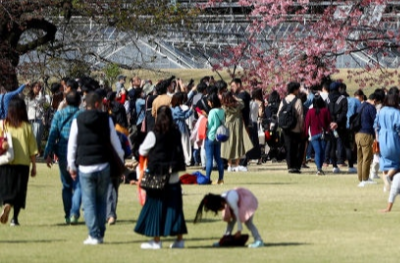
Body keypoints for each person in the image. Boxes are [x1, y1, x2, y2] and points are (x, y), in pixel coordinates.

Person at [67, 91, 125, 245]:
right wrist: (121, 162)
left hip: (85, 166)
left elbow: (72, 145)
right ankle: (100, 232)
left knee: (89, 202)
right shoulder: (106, 120)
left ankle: (94, 234)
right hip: (103, 165)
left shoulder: (78, 120)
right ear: (98, 104)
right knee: (101, 201)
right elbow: (116, 144)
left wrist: (71, 165)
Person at [134, 106, 187, 249]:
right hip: (173, 176)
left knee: (155, 208)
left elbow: (142, 150)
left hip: (157, 176)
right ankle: (179, 240)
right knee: (175, 209)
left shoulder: (154, 134)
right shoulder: (176, 133)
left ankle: (156, 241)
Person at [43, 89, 82, 224]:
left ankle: (68, 214)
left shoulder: (59, 114)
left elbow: (52, 134)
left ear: (66, 101)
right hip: (81, 153)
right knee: (79, 185)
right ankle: (75, 212)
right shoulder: (82, 114)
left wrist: (47, 153)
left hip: (63, 153)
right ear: (79, 102)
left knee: (66, 185)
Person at [0, 97, 37, 226]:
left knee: (6, 187)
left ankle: (6, 203)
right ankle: (14, 218)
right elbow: (32, 149)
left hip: (6, 162)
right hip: (23, 163)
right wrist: (34, 166)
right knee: (20, 191)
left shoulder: (3, 124)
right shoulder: (27, 127)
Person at [195, 188, 264, 248]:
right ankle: (225, 239)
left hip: (246, 201)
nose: (219, 210)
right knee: (230, 222)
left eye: (218, 208)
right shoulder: (223, 199)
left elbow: (237, 214)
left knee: (248, 222)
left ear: (221, 203)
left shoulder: (230, 200)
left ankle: (259, 240)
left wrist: (239, 230)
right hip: (237, 205)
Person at [374, 90, 400, 191]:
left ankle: (386, 185)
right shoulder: (396, 112)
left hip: (382, 137)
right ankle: (388, 178)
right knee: (395, 162)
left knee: (384, 161)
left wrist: (377, 137)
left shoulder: (381, 111)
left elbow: (376, 125)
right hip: (393, 137)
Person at [304, 91, 332, 176]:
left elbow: (306, 124)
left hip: (314, 134)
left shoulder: (310, 112)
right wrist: (329, 131)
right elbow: (329, 122)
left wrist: (305, 134)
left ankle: (319, 168)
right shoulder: (325, 111)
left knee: (317, 151)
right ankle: (319, 168)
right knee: (322, 152)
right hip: (323, 134)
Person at [221, 90, 251, 172]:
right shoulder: (238, 105)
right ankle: (237, 165)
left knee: (229, 145)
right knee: (238, 145)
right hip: (238, 125)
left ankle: (229, 165)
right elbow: (243, 103)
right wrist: (235, 98)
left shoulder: (224, 107)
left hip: (228, 125)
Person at [279, 82, 305, 174]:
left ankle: (290, 166)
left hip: (285, 128)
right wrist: (301, 127)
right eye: (298, 89)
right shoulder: (297, 101)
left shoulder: (283, 100)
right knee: (296, 148)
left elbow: (279, 114)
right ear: (294, 90)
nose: (299, 91)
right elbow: (300, 116)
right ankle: (296, 166)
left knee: (288, 147)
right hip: (295, 128)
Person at [355, 91, 377, 186]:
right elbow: (375, 121)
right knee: (367, 157)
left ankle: (361, 178)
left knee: (359, 157)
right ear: (375, 100)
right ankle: (365, 178)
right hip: (366, 133)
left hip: (358, 134)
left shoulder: (360, 106)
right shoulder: (371, 107)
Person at [205, 94, 226, 184]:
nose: (208, 103)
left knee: (209, 159)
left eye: (209, 101)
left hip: (210, 135)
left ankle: (207, 178)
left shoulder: (212, 112)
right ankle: (220, 178)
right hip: (218, 137)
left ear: (212, 102)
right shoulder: (222, 111)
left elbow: (209, 125)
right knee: (218, 158)